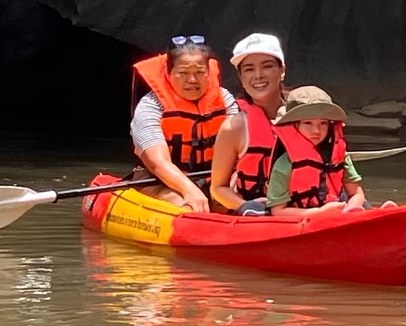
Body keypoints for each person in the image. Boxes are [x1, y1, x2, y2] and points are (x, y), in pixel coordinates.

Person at [130, 37, 240, 213]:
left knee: (241, 198)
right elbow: (158, 163)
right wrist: (190, 191)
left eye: (199, 72)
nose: (192, 80)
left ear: (208, 72)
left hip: (216, 179)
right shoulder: (151, 106)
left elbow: (241, 147)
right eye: (183, 73)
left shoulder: (224, 99)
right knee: (187, 207)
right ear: (168, 72)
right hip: (160, 181)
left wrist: (235, 178)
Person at [210, 33, 287, 213]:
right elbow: (218, 189)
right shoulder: (233, 128)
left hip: (302, 207)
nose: (258, 75)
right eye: (249, 69)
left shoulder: (305, 115)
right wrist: (249, 206)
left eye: (267, 66)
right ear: (241, 77)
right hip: (255, 213)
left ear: (282, 71)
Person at [266, 87, 368, 212]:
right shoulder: (284, 164)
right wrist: (321, 212)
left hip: (335, 209)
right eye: (308, 123)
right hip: (301, 217)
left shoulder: (341, 156)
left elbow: (356, 194)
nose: (316, 131)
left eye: (323, 123)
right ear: (294, 125)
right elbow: (278, 211)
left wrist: (351, 208)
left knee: (364, 204)